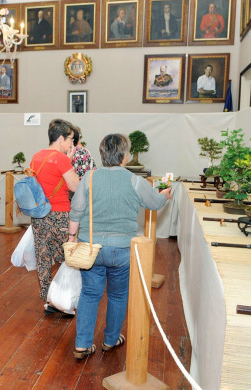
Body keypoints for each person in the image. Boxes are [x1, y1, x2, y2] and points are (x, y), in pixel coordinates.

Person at [68, 133, 172, 359]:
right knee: (117, 295)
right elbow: (154, 203)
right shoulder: (135, 180)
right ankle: (110, 339)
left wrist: (72, 236)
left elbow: (76, 209)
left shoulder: (89, 177)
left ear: (102, 154)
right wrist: (165, 195)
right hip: (122, 250)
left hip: (91, 247)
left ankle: (82, 344)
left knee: (89, 294)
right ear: (124, 156)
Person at [30, 119, 79, 314]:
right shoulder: (61, 158)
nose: (71, 145)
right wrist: (71, 161)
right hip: (59, 214)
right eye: (70, 140)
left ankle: (48, 300)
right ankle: (62, 300)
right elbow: (74, 186)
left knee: (43, 257)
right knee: (65, 257)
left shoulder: (36, 156)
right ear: (61, 138)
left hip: (40, 214)